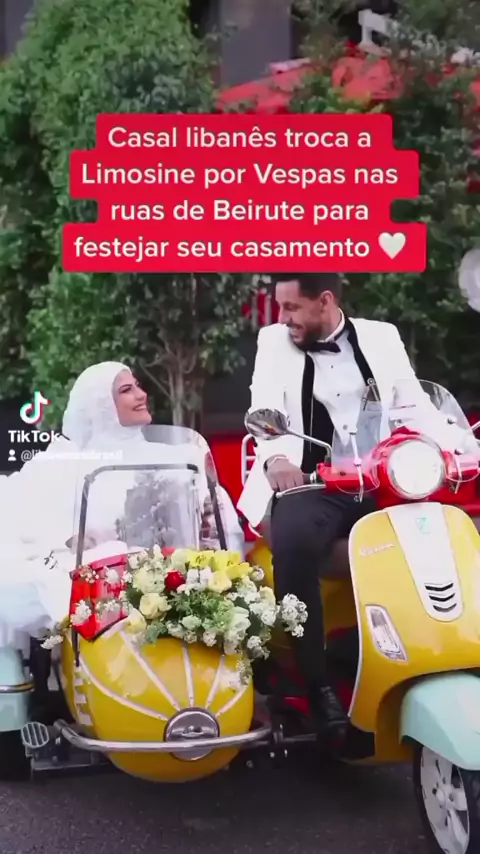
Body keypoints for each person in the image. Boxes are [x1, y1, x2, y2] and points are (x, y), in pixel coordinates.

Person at [237, 272, 456, 743]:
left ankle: (423, 651)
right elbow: (263, 408)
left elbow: (415, 405)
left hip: (380, 478)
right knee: (295, 544)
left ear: (325, 301)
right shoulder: (273, 342)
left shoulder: (382, 337)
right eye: (280, 307)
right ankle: (317, 686)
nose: (284, 317)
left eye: (292, 307)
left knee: (443, 533)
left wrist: (461, 446)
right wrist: (276, 460)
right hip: (309, 482)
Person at [0, 361, 245, 641]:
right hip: (105, 590)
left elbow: (221, 524)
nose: (142, 395)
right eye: (127, 390)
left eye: (137, 386)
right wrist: (78, 541)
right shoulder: (67, 465)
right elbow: (34, 527)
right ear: (101, 406)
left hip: (180, 585)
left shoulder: (179, 457)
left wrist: (217, 569)